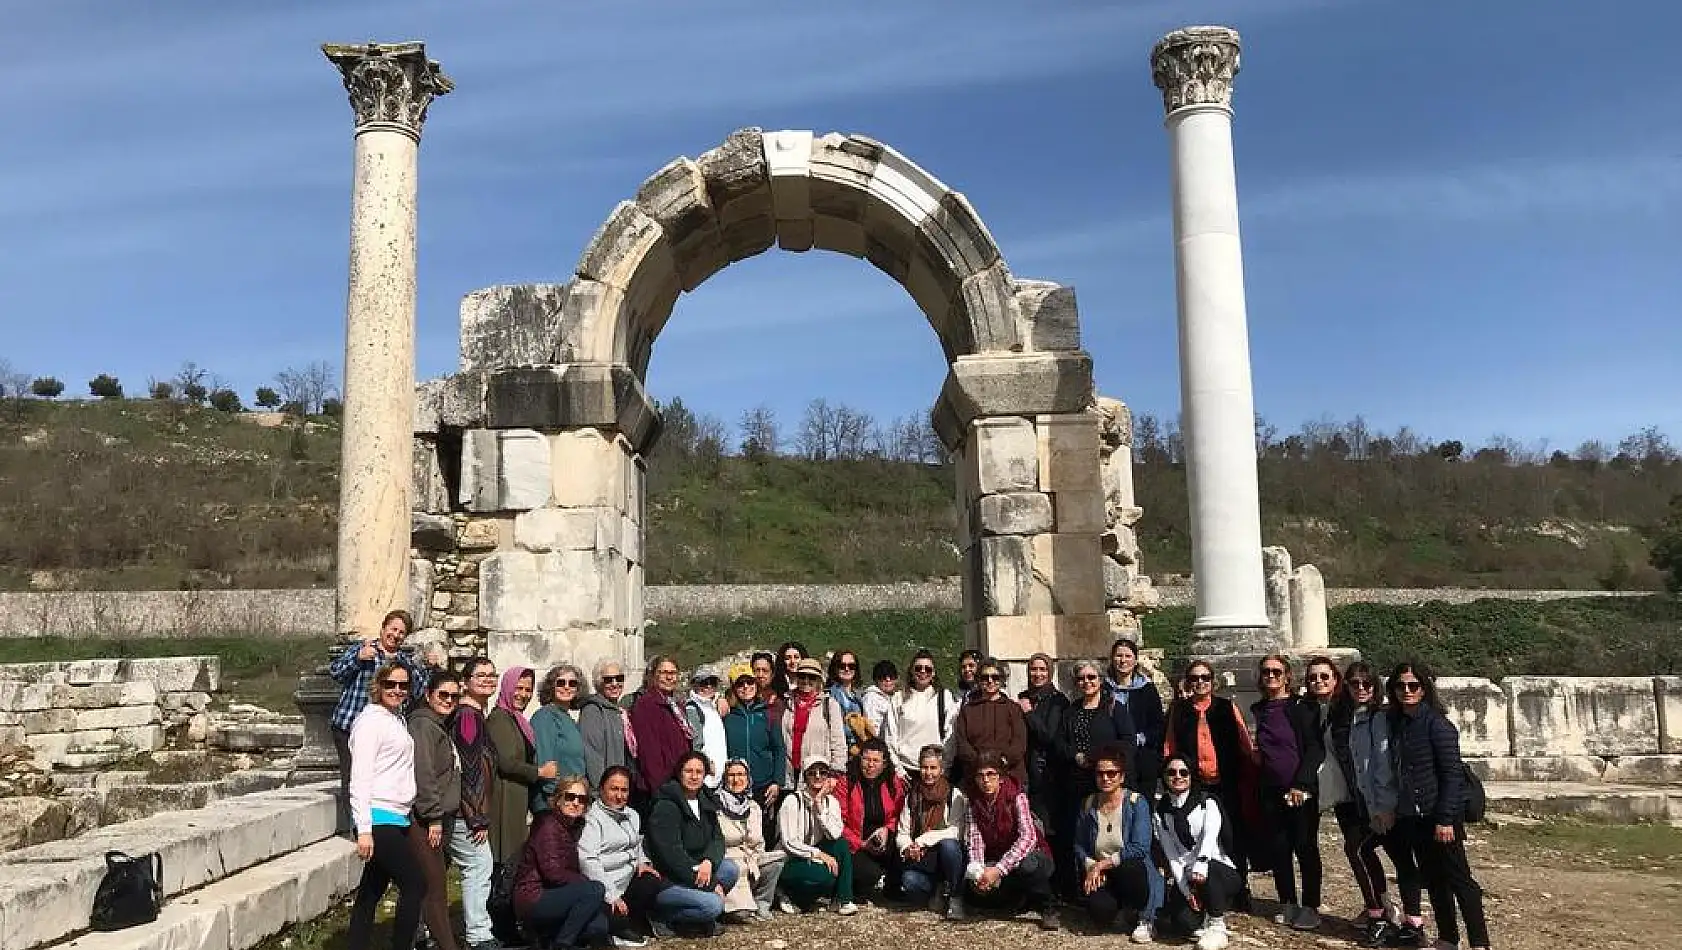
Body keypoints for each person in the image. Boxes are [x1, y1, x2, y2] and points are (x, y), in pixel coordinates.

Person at [1387, 661, 1492, 950]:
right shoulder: (1398, 724)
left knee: (1461, 881)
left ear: (1424, 688)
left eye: (1413, 685)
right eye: (1400, 686)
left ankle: (1480, 943)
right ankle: (1447, 937)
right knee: (1433, 880)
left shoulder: (1438, 725)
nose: (1406, 691)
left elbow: (1452, 775)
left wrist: (1445, 819)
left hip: (1440, 815)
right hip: (1414, 816)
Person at [328, 610, 441, 827]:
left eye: (402, 633)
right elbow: (337, 672)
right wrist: (358, 659)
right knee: (353, 776)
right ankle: (356, 825)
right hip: (350, 723)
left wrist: (429, 667)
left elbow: (418, 690)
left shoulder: (403, 662)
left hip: (385, 728)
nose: (396, 635)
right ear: (383, 628)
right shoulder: (364, 649)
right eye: (393, 629)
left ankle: (373, 819)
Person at [346, 661, 428, 950]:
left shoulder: (395, 719)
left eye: (403, 685)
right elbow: (359, 778)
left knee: (371, 892)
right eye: (390, 684)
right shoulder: (370, 722)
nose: (397, 690)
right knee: (415, 884)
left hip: (397, 816)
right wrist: (364, 829)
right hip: (380, 817)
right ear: (378, 686)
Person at [1163, 659, 1259, 895]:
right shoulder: (1180, 710)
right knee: (1194, 833)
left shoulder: (1227, 707)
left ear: (1213, 681)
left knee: (1232, 833)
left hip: (1226, 781)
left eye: (1205, 678)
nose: (1200, 682)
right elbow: (1170, 745)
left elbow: (1244, 743)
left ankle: (1239, 885)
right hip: (1193, 783)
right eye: (1195, 678)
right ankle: (1196, 884)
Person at [1251, 654, 1326, 932]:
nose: (1271, 676)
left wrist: (1302, 784)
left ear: (1287, 676)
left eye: (1276, 671)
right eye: (1266, 672)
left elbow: (1314, 748)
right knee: (1279, 848)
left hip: (1300, 790)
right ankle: (1287, 901)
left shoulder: (1302, 707)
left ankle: (1310, 905)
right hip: (1270, 789)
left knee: (1305, 847)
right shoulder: (1259, 709)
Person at [1340, 660, 1408, 948]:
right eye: (1354, 683)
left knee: (1360, 849)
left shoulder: (1378, 717)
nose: (1361, 688)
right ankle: (1384, 913)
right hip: (1366, 803)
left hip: (1384, 805)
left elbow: (1381, 765)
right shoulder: (1354, 716)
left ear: (1376, 686)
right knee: (1371, 854)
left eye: (1366, 683)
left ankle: (1386, 916)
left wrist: (1383, 807)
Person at [960, 749, 1059, 929]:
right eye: (980, 776)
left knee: (1027, 865)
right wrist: (979, 869)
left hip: (1033, 855)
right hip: (998, 858)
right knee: (974, 890)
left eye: (991, 774)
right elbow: (975, 838)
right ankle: (1020, 899)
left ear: (1001, 777)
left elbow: (1028, 838)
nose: (986, 781)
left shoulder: (1016, 796)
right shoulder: (973, 802)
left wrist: (998, 870)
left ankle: (1048, 908)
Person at [1073, 744, 1162, 944]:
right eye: (1100, 773)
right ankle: (1119, 911)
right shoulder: (1088, 804)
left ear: (1122, 776)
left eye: (1112, 773)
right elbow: (1079, 844)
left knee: (1132, 867)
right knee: (1099, 912)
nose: (1106, 778)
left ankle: (1143, 916)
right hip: (1103, 873)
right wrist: (1090, 865)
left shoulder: (1136, 803)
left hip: (1129, 870)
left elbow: (1140, 848)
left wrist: (1102, 864)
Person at [646, 751, 738, 936]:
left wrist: (708, 861)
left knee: (730, 869)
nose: (694, 776)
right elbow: (671, 857)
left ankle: (697, 918)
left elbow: (717, 839)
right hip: (670, 879)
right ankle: (665, 917)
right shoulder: (666, 805)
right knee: (714, 905)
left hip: (697, 869)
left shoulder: (705, 800)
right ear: (679, 773)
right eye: (689, 771)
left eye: (699, 771)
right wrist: (711, 884)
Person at [513, 776, 610, 950]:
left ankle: (548, 937)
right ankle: (562, 944)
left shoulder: (574, 826)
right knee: (595, 890)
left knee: (598, 925)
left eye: (581, 799)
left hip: (557, 893)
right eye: (569, 796)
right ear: (558, 799)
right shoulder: (548, 826)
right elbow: (554, 873)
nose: (575, 803)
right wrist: (586, 884)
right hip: (534, 896)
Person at [1156, 755, 1242, 950]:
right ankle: (1203, 916)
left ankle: (1217, 925)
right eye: (1171, 772)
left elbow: (1209, 839)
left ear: (1191, 775)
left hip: (1218, 870)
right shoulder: (1161, 813)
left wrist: (1200, 865)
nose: (1178, 777)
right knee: (1182, 923)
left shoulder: (1207, 803)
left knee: (1208, 870)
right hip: (1189, 876)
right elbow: (1173, 857)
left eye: (1183, 772)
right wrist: (1187, 892)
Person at [578, 765, 664, 948]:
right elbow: (588, 860)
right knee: (600, 926)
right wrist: (612, 895)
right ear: (601, 790)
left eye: (624, 790)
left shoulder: (632, 815)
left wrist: (641, 862)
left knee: (651, 880)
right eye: (613, 789)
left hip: (627, 882)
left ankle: (629, 921)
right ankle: (619, 926)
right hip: (603, 888)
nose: (619, 795)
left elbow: (636, 843)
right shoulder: (592, 819)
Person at [409, 671, 464, 950]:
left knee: (425, 885)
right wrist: (433, 816)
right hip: (426, 819)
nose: (449, 700)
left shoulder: (438, 724)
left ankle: (416, 938)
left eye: (455, 696)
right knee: (435, 888)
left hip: (439, 816)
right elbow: (424, 772)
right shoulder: (423, 726)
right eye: (443, 694)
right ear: (429, 694)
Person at [450, 657, 501, 950]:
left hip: (465, 810)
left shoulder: (474, 714)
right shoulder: (468, 716)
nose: (487, 679)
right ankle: (479, 935)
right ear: (466, 681)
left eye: (491, 675)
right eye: (480, 675)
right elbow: (469, 766)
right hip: (466, 813)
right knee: (478, 867)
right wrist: (476, 816)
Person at [487, 666, 558, 864]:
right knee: (506, 858)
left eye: (528, 690)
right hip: (505, 798)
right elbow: (506, 762)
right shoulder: (500, 719)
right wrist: (539, 772)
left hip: (517, 796)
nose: (523, 695)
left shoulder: (516, 719)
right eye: (518, 688)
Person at [776, 757, 857, 915]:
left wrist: (819, 806)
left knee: (841, 844)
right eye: (812, 773)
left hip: (815, 852)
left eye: (823, 773)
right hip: (791, 858)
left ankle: (842, 899)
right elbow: (789, 842)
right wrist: (818, 854)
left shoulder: (831, 802)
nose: (818, 777)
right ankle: (786, 893)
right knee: (824, 877)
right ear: (805, 777)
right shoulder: (792, 801)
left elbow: (835, 834)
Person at [1055, 661, 1138, 810]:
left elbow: (1128, 741)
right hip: (1077, 783)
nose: (1086, 682)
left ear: (1100, 679)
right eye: (1081, 678)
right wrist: (1076, 756)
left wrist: (1099, 758)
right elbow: (1060, 742)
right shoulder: (1070, 711)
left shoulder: (1113, 707)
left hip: (1107, 780)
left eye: (1091, 677)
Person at [896, 743, 968, 913]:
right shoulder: (913, 795)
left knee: (949, 845)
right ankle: (936, 892)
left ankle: (955, 895)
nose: (928, 773)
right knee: (909, 880)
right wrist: (908, 847)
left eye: (933, 768)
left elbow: (956, 830)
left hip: (947, 856)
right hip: (924, 859)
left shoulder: (953, 795)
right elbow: (902, 831)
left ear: (941, 770)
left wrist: (923, 840)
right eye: (924, 767)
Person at [837, 738, 907, 902]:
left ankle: (893, 887)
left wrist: (886, 829)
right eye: (867, 759)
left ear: (884, 763)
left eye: (876, 761)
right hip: (855, 843)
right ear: (859, 758)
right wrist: (861, 844)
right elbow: (838, 823)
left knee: (900, 848)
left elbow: (900, 814)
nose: (870, 765)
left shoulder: (893, 782)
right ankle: (857, 887)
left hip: (882, 838)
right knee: (869, 873)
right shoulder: (846, 783)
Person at [716, 759, 786, 921]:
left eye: (741, 775)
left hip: (751, 859)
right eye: (731, 775)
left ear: (748, 779)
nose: (736, 779)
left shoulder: (753, 807)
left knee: (777, 862)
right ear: (725, 779)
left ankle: (761, 902)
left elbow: (759, 842)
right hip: (731, 864)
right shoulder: (716, 806)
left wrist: (757, 862)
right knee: (741, 915)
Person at [628, 656, 695, 810]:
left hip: (680, 783)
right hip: (661, 790)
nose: (669, 677)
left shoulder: (675, 705)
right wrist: (662, 790)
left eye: (673, 672)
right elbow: (648, 753)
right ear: (654, 675)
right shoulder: (646, 705)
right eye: (664, 672)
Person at [722, 665, 785, 819]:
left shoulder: (768, 713)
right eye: (740, 684)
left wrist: (777, 782)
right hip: (735, 784)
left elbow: (779, 748)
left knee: (764, 832)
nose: (746, 687)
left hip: (763, 784)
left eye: (750, 682)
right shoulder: (726, 715)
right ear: (734, 688)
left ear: (756, 685)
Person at [953, 658, 1028, 786]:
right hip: (977, 777)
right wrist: (980, 763)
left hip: (1009, 776)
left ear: (1002, 679)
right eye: (984, 677)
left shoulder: (1013, 708)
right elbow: (962, 742)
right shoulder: (967, 710)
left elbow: (1019, 742)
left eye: (995, 677)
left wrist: (1003, 761)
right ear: (978, 680)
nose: (990, 681)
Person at [1106, 639, 1166, 792]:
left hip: (1142, 756)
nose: (1123, 660)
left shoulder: (1147, 689)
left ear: (1135, 659)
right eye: (1119, 656)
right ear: (1112, 659)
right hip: (1111, 757)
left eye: (1128, 656)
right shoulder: (1104, 689)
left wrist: (1140, 739)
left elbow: (1158, 724)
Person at [781, 657, 848, 786]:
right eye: (802, 676)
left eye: (811, 677)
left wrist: (835, 773)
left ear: (818, 680)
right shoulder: (787, 702)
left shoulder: (829, 705)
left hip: (817, 773)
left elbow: (838, 742)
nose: (806, 681)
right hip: (790, 772)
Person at [532, 664, 589, 812]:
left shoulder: (568, 718)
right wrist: (554, 798)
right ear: (551, 686)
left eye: (572, 683)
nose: (566, 687)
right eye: (561, 682)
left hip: (572, 800)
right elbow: (545, 763)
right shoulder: (545, 716)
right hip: (554, 802)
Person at [891, 649, 956, 774]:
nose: (923, 671)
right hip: (906, 769)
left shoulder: (944, 697)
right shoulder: (898, 698)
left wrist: (945, 766)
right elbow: (890, 736)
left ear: (934, 673)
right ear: (911, 671)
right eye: (918, 668)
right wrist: (898, 770)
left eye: (928, 669)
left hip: (935, 770)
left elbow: (951, 736)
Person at [579, 660, 635, 792]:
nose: (615, 684)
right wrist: (603, 791)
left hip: (620, 789)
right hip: (606, 792)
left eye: (619, 678)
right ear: (599, 683)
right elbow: (592, 756)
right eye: (608, 680)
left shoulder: (620, 711)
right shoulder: (592, 711)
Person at [684, 665, 730, 788]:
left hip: (719, 779)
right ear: (695, 685)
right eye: (704, 682)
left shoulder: (714, 707)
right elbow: (695, 743)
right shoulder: (692, 709)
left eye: (713, 682)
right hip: (705, 779)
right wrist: (706, 763)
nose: (709, 687)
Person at [826, 650, 868, 755]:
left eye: (851, 666)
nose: (846, 669)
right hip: (838, 750)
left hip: (857, 752)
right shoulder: (829, 695)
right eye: (842, 665)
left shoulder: (859, 696)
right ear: (835, 668)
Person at [860, 660, 900, 758]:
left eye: (892, 676)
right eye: (883, 677)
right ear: (876, 679)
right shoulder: (872, 698)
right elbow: (873, 730)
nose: (888, 679)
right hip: (880, 752)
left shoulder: (891, 698)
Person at [751, 652, 785, 725]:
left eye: (765, 671)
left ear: (772, 674)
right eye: (757, 670)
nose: (760, 675)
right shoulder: (746, 699)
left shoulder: (781, 700)